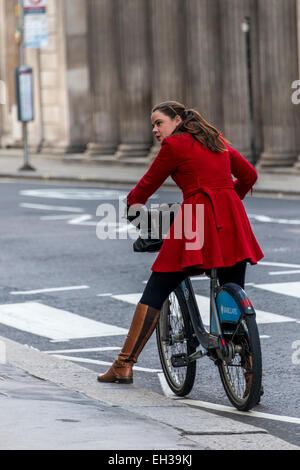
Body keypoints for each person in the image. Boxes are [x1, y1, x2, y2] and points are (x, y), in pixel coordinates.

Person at [97, 100, 264, 384]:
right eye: (153, 124)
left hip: (195, 222)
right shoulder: (216, 140)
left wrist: (142, 222)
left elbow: (142, 191)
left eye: (159, 122)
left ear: (176, 120)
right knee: (231, 293)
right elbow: (249, 175)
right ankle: (250, 377)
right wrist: (229, 199)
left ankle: (124, 364)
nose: (155, 129)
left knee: (156, 290)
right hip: (233, 221)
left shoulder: (174, 146)